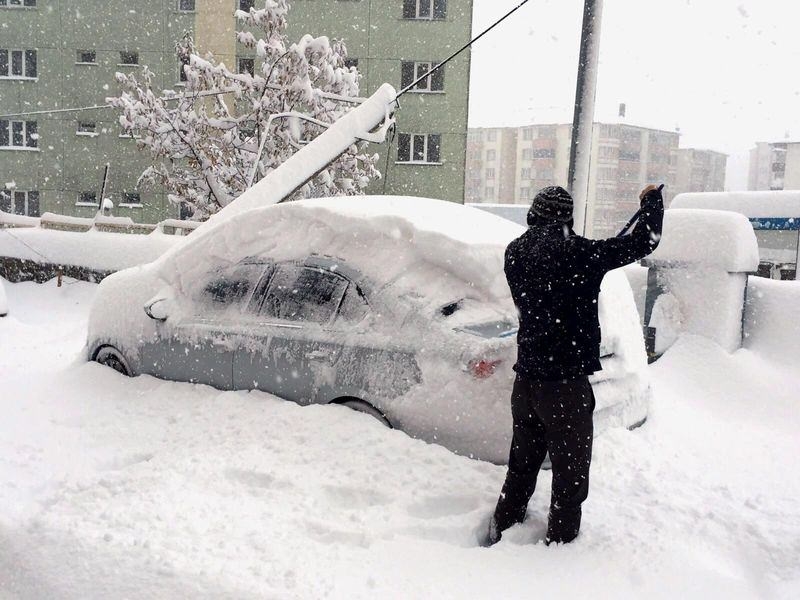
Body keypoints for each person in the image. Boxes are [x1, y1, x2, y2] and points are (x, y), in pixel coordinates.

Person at [485, 183, 665, 546]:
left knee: (522, 465)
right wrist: (651, 203)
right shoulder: (580, 253)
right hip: (565, 386)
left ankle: (501, 526)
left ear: (534, 214)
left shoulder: (515, 252)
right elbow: (644, 242)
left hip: (528, 383)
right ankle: (561, 546)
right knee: (570, 475)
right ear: (567, 217)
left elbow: (549, 277)